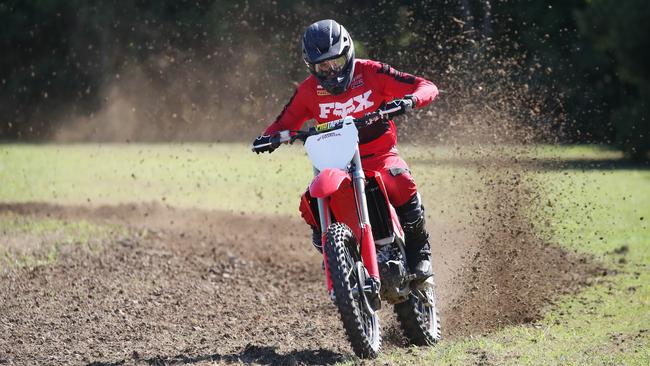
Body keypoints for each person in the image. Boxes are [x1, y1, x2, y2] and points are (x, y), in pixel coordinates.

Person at [252, 19, 439, 281]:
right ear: (311, 67)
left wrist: (408, 100)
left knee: (401, 180)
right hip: (336, 163)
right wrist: (268, 137)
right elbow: (285, 122)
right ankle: (338, 252)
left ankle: (420, 251)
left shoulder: (372, 72)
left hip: (379, 156)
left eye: (336, 62)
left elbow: (427, 86)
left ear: (349, 54)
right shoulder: (308, 91)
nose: (331, 72)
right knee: (309, 203)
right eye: (322, 66)